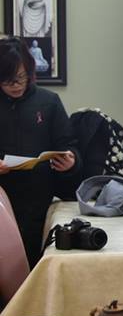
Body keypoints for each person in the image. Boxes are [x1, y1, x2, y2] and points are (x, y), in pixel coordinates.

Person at [0, 37, 79, 267]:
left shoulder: (49, 102)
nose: (16, 85)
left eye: (21, 77)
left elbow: (69, 145)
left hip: (39, 198)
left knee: (34, 258)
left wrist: (71, 163)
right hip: (3, 197)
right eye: (7, 80)